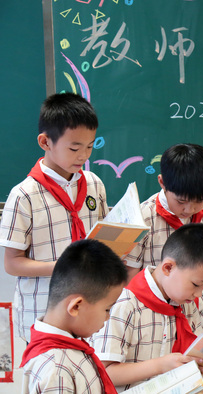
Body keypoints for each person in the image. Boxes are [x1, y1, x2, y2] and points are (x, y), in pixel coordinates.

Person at [92, 223, 203, 391]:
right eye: (196, 284)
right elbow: (104, 372)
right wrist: (160, 365)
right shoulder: (124, 305)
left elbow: (202, 360)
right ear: (168, 268)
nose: (199, 293)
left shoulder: (185, 303)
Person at [0, 92, 108, 342]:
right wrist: (63, 267)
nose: (84, 156)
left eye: (90, 146)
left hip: (88, 314)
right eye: (74, 148)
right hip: (41, 316)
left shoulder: (94, 185)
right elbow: (12, 263)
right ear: (45, 142)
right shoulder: (24, 195)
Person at [125, 143, 203, 337]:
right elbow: (131, 277)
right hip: (153, 325)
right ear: (162, 182)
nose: (189, 210)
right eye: (181, 201)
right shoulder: (142, 218)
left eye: (199, 201)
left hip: (199, 324)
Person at [21, 239, 127, 394]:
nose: (107, 317)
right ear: (76, 306)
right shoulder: (57, 370)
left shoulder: (70, 345)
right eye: (106, 309)